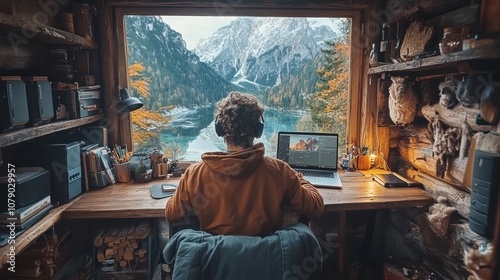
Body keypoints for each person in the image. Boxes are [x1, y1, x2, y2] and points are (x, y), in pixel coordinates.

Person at [164, 91, 324, 236]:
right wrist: (300, 179)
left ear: (220, 129)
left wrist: (184, 188)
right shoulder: (279, 171)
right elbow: (316, 207)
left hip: (218, 263)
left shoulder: (195, 174)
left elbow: (171, 214)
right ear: (257, 130)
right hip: (265, 261)